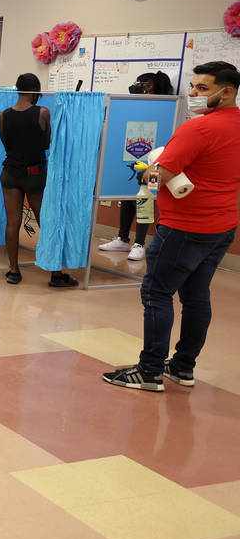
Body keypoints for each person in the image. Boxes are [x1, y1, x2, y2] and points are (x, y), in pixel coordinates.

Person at [103, 61, 240, 392]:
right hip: (222, 226)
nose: (192, 93)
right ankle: (182, 367)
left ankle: (149, 371)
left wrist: (146, 169)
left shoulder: (197, 129)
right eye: (192, 86)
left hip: (184, 227)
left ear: (228, 92)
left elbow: (156, 177)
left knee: (156, 292)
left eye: (202, 88)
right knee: (195, 295)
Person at [0, 73, 77, 287]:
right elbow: (47, 142)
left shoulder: (2, 115)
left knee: (12, 222)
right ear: (35, 91)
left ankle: (13, 271)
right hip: (35, 175)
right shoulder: (43, 113)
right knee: (45, 221)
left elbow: (7, 144)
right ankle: (56, 274)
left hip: (10, 173)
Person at [99, 70, 175, 261]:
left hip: (156, 161)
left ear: (153, 86)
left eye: (145, 84)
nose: (141, 87)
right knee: (125, 196)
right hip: (133, 156)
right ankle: (122, 238)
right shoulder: (134, 105)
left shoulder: (167, 107)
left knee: (145, 199)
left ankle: (139, 243)